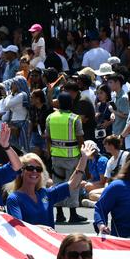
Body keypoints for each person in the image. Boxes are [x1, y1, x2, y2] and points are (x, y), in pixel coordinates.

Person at [42, 94, 87, 224]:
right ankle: (73, 214)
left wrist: (50, 153)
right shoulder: (74, 118)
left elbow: (48, 138)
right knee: (73, 184)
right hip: (72, 157)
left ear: (59, 103)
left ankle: (60, 214)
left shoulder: (50, 117)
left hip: (56, 156)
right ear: (71, 103)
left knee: (57, 184)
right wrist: (83, 155)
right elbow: (80, 139)